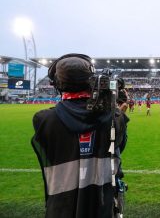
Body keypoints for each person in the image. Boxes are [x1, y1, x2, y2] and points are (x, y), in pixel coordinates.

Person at [31, 53, 128, 218]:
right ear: (91, 81)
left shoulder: (43, 120)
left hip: (60, 208)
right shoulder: (116, 118)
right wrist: (116, 107)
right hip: (102, 207)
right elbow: (119, 145)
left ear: (57, 84)